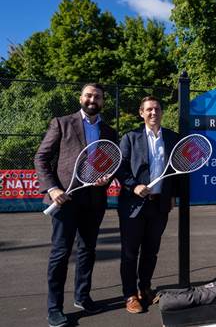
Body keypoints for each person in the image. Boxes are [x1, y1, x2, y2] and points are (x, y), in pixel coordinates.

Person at [34, 83, 118, 327]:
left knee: (87, 252)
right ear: (81, 98)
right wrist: (53, 188)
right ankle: (54, 308)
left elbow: (110, 165)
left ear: (103, 101)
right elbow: (41, 157)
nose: (93, 100)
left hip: (94, 201)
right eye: (89, 95)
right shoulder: (62, 123)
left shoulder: (109, 131)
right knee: (61, 254)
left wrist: (106, 179)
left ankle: (82, 297)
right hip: (65, 200)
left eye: (98, 97)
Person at [116, 96, 179, 313]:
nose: (153, 113)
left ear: (162, 112)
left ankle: (145, 288)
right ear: (141, 113)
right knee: (130, 253)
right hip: (133, 205)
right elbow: (120, 169)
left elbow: (176, 171)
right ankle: (130, 295)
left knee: (151, 252)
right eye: (149, 109)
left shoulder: (172, 138)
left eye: (157, 109)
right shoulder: (130, 138)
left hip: (159, 206)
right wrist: (134, 186)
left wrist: (172, 195)